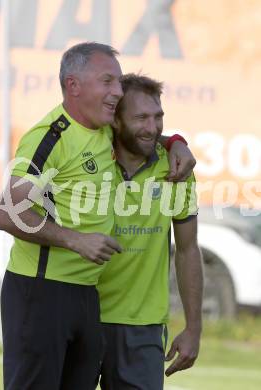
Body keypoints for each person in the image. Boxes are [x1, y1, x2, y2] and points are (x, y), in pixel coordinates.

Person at [0, 42, 196, 390]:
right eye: (108, 82)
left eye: (118, 83)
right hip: (57, 298)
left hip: (107, 309)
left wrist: (177, 141)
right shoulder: (65, 138)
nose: (116, 92)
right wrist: (74, 240)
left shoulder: (138, 149)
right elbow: (8, 214)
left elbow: (141, 131)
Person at [97, 74, 203, 390]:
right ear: (115, 121)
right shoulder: (89, 156)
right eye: (141, 117)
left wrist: (193, 329)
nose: (153, 127)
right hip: (82, 317)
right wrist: (174, 139)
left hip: (143, 328)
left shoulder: (176, 170)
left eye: (158, 117)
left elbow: (187, 250)